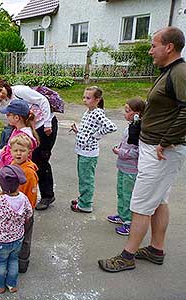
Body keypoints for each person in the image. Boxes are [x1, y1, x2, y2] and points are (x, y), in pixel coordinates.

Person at [98, 26, 186, 272]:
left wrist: (165, 141)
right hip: (157, 148)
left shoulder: (180, 72)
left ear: (169, 47)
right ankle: (156, 249)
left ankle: (127, 256)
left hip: (160, 151)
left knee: (140, 204)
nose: (150, 51)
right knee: (158, 201)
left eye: (154, 45)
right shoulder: (169, 71)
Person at [0, 78, 58, 210]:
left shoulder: (19, 91)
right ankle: (24, 193)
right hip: (29, 127)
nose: (0, 94)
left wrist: (47, 124)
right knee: (29, 159)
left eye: (0, 90)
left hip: (44, 126)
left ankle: (47, 195)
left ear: (4, 86)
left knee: (41, 160)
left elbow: (43, 101)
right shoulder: (4, 102)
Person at [0, 165, 33, 294]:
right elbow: (29, 213)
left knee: (1, 262)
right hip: (18, 238)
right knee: (13, 260)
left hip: (1, 241)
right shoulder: (23, 198)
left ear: (2, 184)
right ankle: (12, 284)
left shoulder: (0, 202)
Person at [70, 86, 117, 213]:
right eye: (84, 97)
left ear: (97, 100)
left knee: (86, 179)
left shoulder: (97, 112)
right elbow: (88, 129)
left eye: (88, 98)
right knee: (83, 177)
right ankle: (83, 199)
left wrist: (96, 135)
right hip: (82, 150)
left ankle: (85, 205)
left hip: (89, 153)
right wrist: (78, 132)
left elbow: (111, 127)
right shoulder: (88, 111)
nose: (84, 100)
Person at [107, 98, 146, 236]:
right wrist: (119, 148)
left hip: (131, 169)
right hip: (123, 166)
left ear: (137, 114)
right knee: (121, 192)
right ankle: (123, 215)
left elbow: (137, 151)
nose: (125, 113)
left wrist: (121, 152)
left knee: (129, 195)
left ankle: (130, 222)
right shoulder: (130, 126)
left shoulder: (139, 130)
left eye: (127, 111)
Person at [9, 134, 39, 273]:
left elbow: (31, 196)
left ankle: (22, 262)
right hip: (13, 211)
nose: (18, 153)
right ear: (11, 151)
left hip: (24, 213)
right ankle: (12, 258)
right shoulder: (13, 165)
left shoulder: (29, 173)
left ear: (29, 152)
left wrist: (27, 213)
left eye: (22, 150)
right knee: (13, 235)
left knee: (25, 238)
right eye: (15, 150)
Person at [0, 99, 38, 171]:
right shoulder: (16, 130)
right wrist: (0, 165)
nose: (7, 117)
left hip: (16, 173)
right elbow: (9, 151)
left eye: (8, 115)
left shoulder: (23, 137)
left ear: (16, 118)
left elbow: (16, 161)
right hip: (10, 170)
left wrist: (3, 154)